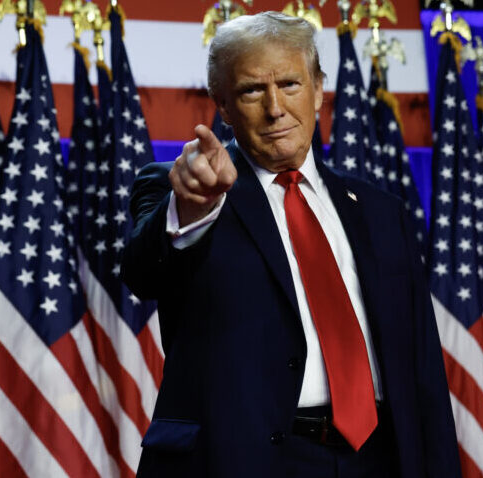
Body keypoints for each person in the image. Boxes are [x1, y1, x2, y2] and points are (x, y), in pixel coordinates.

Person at [122, 11, 461, 478]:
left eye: (290, 84)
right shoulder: (183, 191)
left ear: (319, 89)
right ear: (222, 105)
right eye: (252, 90)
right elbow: (143, 273)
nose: (275, 107)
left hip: (378, 460)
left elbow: (423, 371)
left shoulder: (383, 213)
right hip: (243, 463)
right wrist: (194, 208)